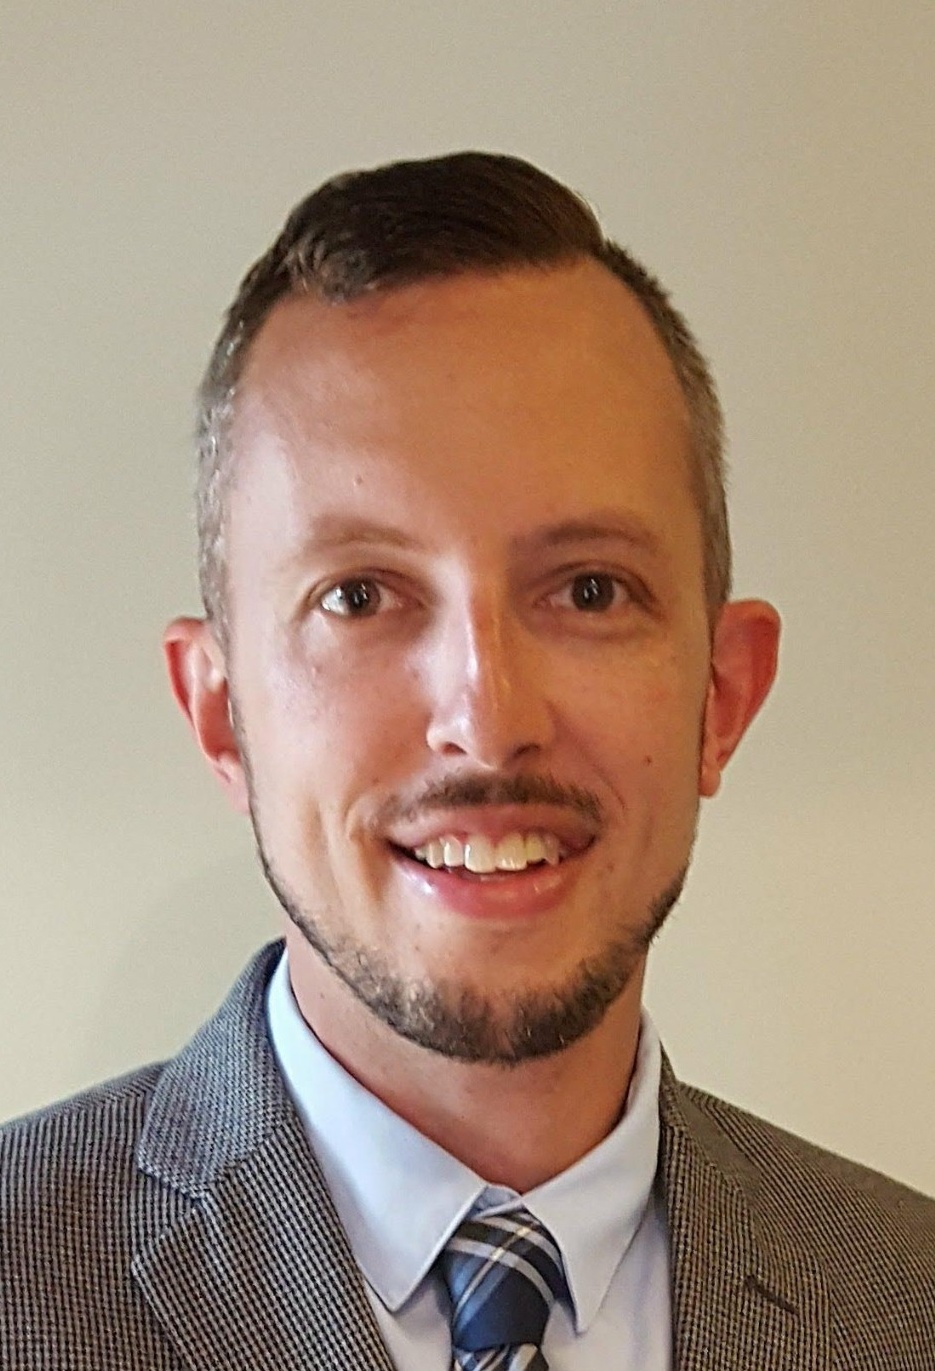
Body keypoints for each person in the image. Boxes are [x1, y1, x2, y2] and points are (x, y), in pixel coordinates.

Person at [1, 152, 932, 1371]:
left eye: (588, 590)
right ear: (221, 715)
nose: (487, 724)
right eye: (359, 595)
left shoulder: (908, 1298)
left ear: (720, 693)